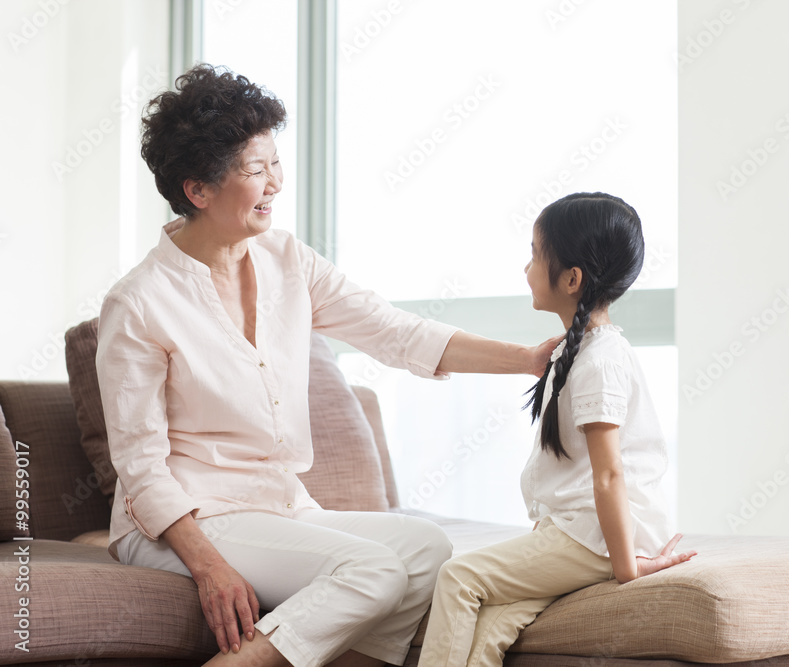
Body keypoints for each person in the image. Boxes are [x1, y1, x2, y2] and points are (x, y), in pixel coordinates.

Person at [95, 64, 558, 667]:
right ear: (198, 190)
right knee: (370, 569)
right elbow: (139, 466)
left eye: (275, 163)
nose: (275, 184)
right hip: (182, 519)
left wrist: (526, 361)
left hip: (276, 505)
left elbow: (396, 333)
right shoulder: (138, 301)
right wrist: (208, 564)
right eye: (255, 170)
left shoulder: (288, 259)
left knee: (426, 548)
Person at [416, 193, 696, 667]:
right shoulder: (579, 352)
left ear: (571, 279)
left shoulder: (599, 362)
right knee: (490, 628)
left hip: (601, 537)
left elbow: (609, 477)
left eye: (533, 254)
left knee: (459, 578)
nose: (526, 268)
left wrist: (627, 569)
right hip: (584, 531)